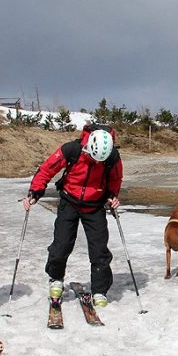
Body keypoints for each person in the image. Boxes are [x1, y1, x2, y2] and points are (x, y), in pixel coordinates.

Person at [24, 125, 122, 309]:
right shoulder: (72, 149)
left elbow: (115, 178)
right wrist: (35, 191)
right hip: (69, 201)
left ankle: (100, 290)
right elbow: (46, 169)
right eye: (93, 158)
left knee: (99, 250)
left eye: (100, 160)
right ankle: (56, 279)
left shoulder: (112, 157)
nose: (96, 162)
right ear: (88, 147)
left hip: (95, 205)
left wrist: (112, 195)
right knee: (61, 245)